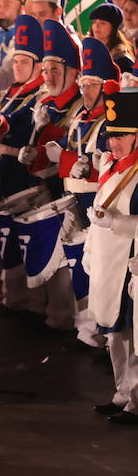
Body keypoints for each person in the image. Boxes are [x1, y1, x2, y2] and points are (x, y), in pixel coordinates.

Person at [85, 87, 138, 426]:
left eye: (123, 137)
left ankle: (136, 401)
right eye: (112, 136)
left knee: (133, 337)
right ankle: (121, 393)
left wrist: (114, 222)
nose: (114, 144)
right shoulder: (111, 165)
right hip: (107, 263)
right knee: (114, 335)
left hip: (128, 265)